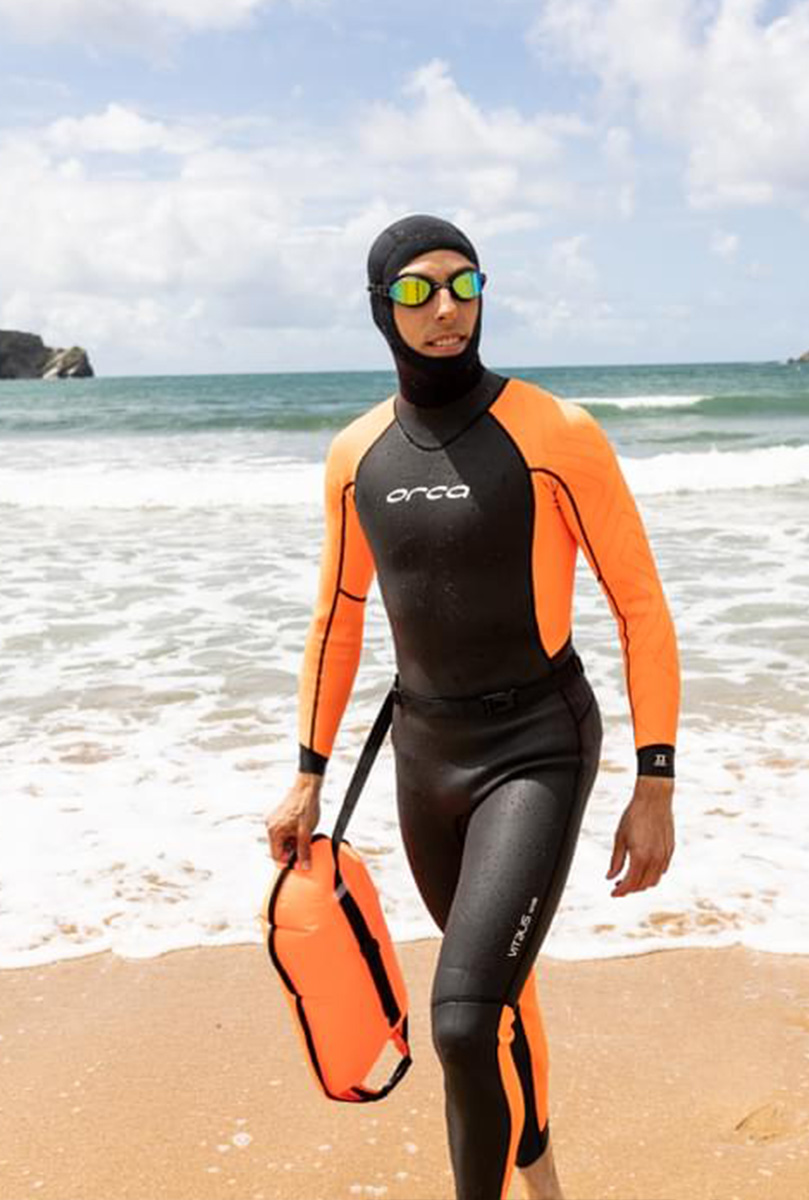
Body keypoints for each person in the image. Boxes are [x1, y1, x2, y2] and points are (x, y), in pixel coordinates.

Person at [266, 214, 680, 1200]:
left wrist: (654, 779)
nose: (446, 306)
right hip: (424, 754)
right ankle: (546, 1187)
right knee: (494, 1002)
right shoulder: (355, 456)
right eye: (416, 290)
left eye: (464, 283)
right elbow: (337, 620)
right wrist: (305, 773)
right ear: (382, 308)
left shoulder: (554, 434)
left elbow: (639, 604)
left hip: (535, 745)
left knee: (458, 1016)